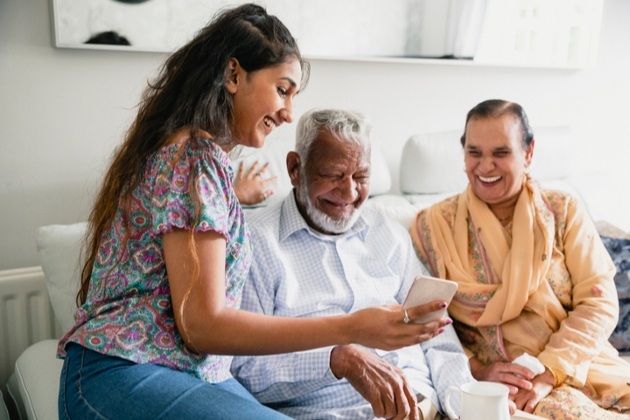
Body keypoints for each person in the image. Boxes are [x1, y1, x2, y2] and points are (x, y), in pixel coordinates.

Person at [56, 5, 437, 419]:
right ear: (234, 76)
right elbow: (201, 325)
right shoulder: (192, 159)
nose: (289, 112)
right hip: (125, 369)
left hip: (187, 372)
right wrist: (351, 328)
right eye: (283, 89)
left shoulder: (203, 162)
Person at [231, 108, 475, 420]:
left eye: (361, 176)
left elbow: (438, 340)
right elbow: (244, 370)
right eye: (333, 175)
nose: (349, 192)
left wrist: (466, 405)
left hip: (426, 409)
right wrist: (336, 360)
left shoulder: (389, 233)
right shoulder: (255, 242)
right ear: (295, 168)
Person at [410, 99, 630, 418]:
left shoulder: (562, 211)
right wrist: (475, 369)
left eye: (501, 153)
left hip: (580, 364)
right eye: (475, 153)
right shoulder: (432, 227)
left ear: (528, 153)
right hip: (508, 388)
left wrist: (550, 371)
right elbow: (423, 320)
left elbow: (598, 302)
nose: (485, 167)